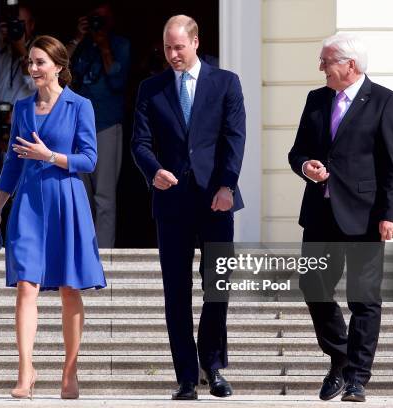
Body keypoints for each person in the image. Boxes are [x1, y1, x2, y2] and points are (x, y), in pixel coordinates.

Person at [288, 33, 393, 402]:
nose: (321, 67)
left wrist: (392, 214)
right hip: (321, 214)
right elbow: (297, 152)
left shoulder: (385, 102)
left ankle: (356, 377)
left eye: (326, 61)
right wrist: (306, 166)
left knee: (364, 298)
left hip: (365, 216)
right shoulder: (316, 99)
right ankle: (340, 355)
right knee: (312, 286)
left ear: (349, 66)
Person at [131, 15, 246, 400]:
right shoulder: (152, 88)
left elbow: (234, 138)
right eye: (167, 47)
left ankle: (212, 366)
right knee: (175, 291)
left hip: (217, 199)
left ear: (195, 42)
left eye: (179, 46)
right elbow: (140, 143)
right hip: (172, 200)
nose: (173, 54)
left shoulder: (226, 82)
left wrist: (228, 185)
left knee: (218, 286)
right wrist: (154, 170)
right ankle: (185, 376)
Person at [0, 35, 106, 400]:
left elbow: (89, 159)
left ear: (58, 65)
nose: (33, 68)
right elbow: (12, 163)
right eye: (30, 62)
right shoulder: (22, 108)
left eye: (40, 62)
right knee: (26, 285)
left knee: (70, 287)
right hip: (28, 206)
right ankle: (26, 370)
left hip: (67, 202)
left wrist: (49, 155)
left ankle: (69, 371)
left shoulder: (79, 105)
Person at [68, 2, 130, 248]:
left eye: (102, 19)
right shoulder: (81, 45)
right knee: (80, 195)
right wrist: (77, 37)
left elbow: (118, 81)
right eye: (94, 18)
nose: (97, 24)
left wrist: (104, 47)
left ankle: (103, 253)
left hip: (106, 124)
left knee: (104, 196)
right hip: (76, 126)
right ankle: (82, 249)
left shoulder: (121, 45)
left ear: (112, 21)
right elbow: (60, 73)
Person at [0, 2, 37, 105]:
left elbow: (35, 85)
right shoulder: (2, 52)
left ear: (31, 24)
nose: (15, 28)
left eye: (20, 24)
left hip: (22, 116)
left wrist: (22, 51)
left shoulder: (40, 51)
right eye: (12, 24)